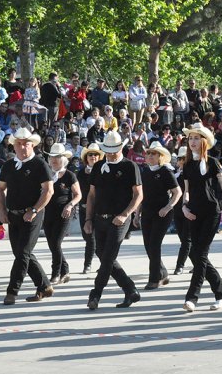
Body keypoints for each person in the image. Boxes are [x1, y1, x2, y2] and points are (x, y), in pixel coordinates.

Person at [179, 123, 222, 312]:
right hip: (193, 213)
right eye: (190, 138)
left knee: (200, 254)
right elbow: (186, 192)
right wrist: (184, 207)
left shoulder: (213, 162)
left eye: (196, 138)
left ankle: (192, 298)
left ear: (204, 141)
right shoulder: (187, 164)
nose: (192, 142)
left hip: (212, 212)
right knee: (196, 255)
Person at [83, 131, 143, 310]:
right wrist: (88, 219)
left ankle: (95, 295)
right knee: (103, 255)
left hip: (120, 219)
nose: (110, 153)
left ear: (121, 148)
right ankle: (130, 289)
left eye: (114, 149)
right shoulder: (98, 166)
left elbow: (138, 195)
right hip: (99, 218)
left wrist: (125, 215)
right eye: (107, 149)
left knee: (108, 257)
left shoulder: (130, 166)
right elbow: (91, 195)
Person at [0, 127, 55, 305]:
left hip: (33, 214)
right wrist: (2, 211)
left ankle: (12, 291)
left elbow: (48, 190)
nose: (22, 147)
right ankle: (44, 285)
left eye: (26, 144)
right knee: (22, 253)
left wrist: (35, 210)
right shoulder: (8, 165)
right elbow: (0, 189)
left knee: (22, 253)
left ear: (33, 145)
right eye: (19, 144)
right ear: (14, 146)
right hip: (13, 215)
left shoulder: (39, 164)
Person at [139, 141, 182, 290]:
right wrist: (137, 212)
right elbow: (141, 195)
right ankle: (162, 272)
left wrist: (168, 207)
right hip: (147, 212)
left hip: (162, 213)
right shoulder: (144, 172)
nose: (150, 155)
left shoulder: (165, 171)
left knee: (155, 245)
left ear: (160, 156)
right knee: (148, 245)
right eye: (148, 153)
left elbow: (177, 192)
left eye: (153, 153)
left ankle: (154, 278)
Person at [43, 143, 81, 285]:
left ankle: (56, 273)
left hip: (64, 213)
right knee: (52, 244)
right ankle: (65, 270)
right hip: (48, 212)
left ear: (63, 159)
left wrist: (70, 205)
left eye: (58, 157)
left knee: (56, 242)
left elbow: (78, 195)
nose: (54, 160)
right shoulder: (47, 174)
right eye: (52, 157)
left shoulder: (69, 175)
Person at [77, 143, 103, 273]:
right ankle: (105, 263)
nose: (93, 156)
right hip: (83, 209)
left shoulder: (103, 171)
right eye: (90, 154)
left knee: (95, 238)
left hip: (99, 209)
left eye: (95, 154)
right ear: (86, 157)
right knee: (87, 237)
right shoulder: (80, 173)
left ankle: (88, 264)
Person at [172, 146, 192, 275]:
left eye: (184, 159)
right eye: (180, 159)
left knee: (187, 239)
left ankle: (180, 265)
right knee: (183, 238)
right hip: (177, 209)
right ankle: (199, 262)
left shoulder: (191, 173)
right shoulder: (174, 174)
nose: (182, 161)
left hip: (190, 209)